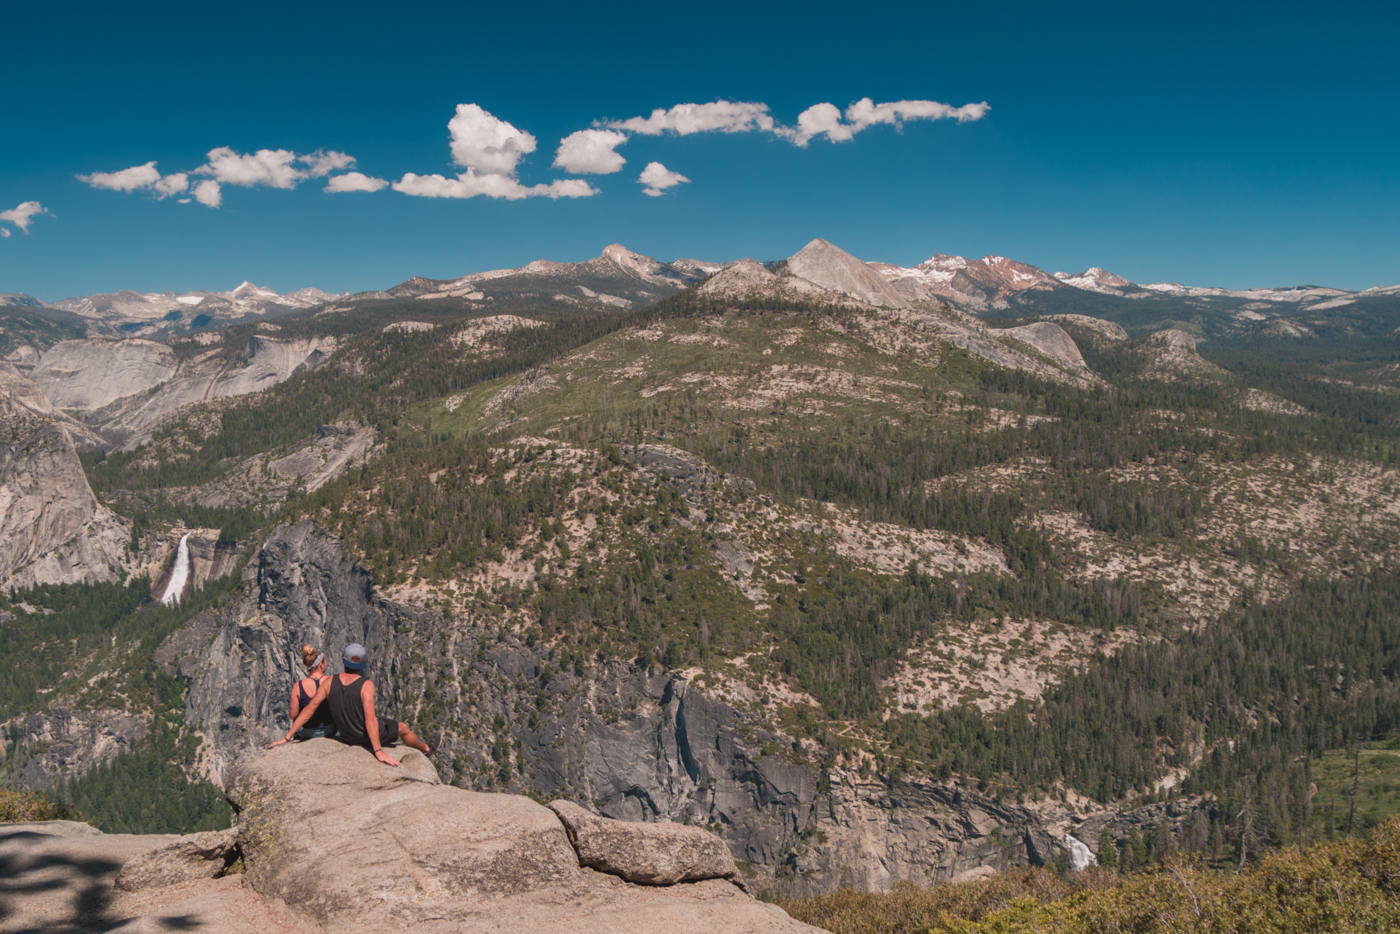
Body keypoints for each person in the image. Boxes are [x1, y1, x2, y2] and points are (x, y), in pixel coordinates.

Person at [270, 643, 431, 767]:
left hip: (346, 736)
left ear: (343, 661)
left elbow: (308, 710)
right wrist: (378, 751)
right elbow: (370, 720)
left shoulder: (329, 682)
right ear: (363, 664)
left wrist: (287, 736)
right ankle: (426, 749)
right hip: (363, 736)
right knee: (402, 727)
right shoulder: (366, 685)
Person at [289, 645, 337, 740]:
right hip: (328, 730)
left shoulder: (298, 686)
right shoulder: (331, 681)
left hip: (306, 732)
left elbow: (292, 715)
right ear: (321, 664)